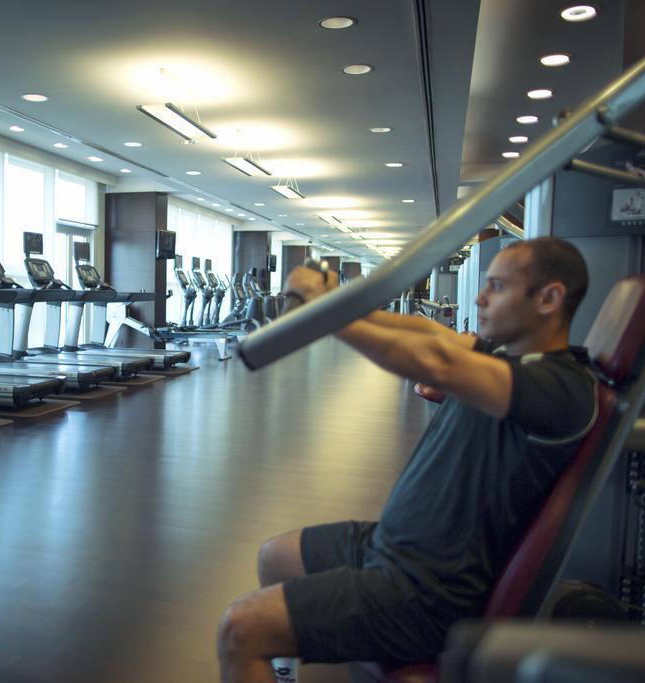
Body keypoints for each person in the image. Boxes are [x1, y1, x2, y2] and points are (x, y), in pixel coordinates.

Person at [217, 237, 596, 683]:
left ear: (549, 298)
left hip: (428, 589)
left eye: (496, 286)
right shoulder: (508, 358)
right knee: (275, 557)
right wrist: (337, 303)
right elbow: (433, 337)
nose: (480, 296)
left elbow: (437, 362)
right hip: (394, 546)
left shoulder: (559, 389)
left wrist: (324, 313)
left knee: (241, 628)